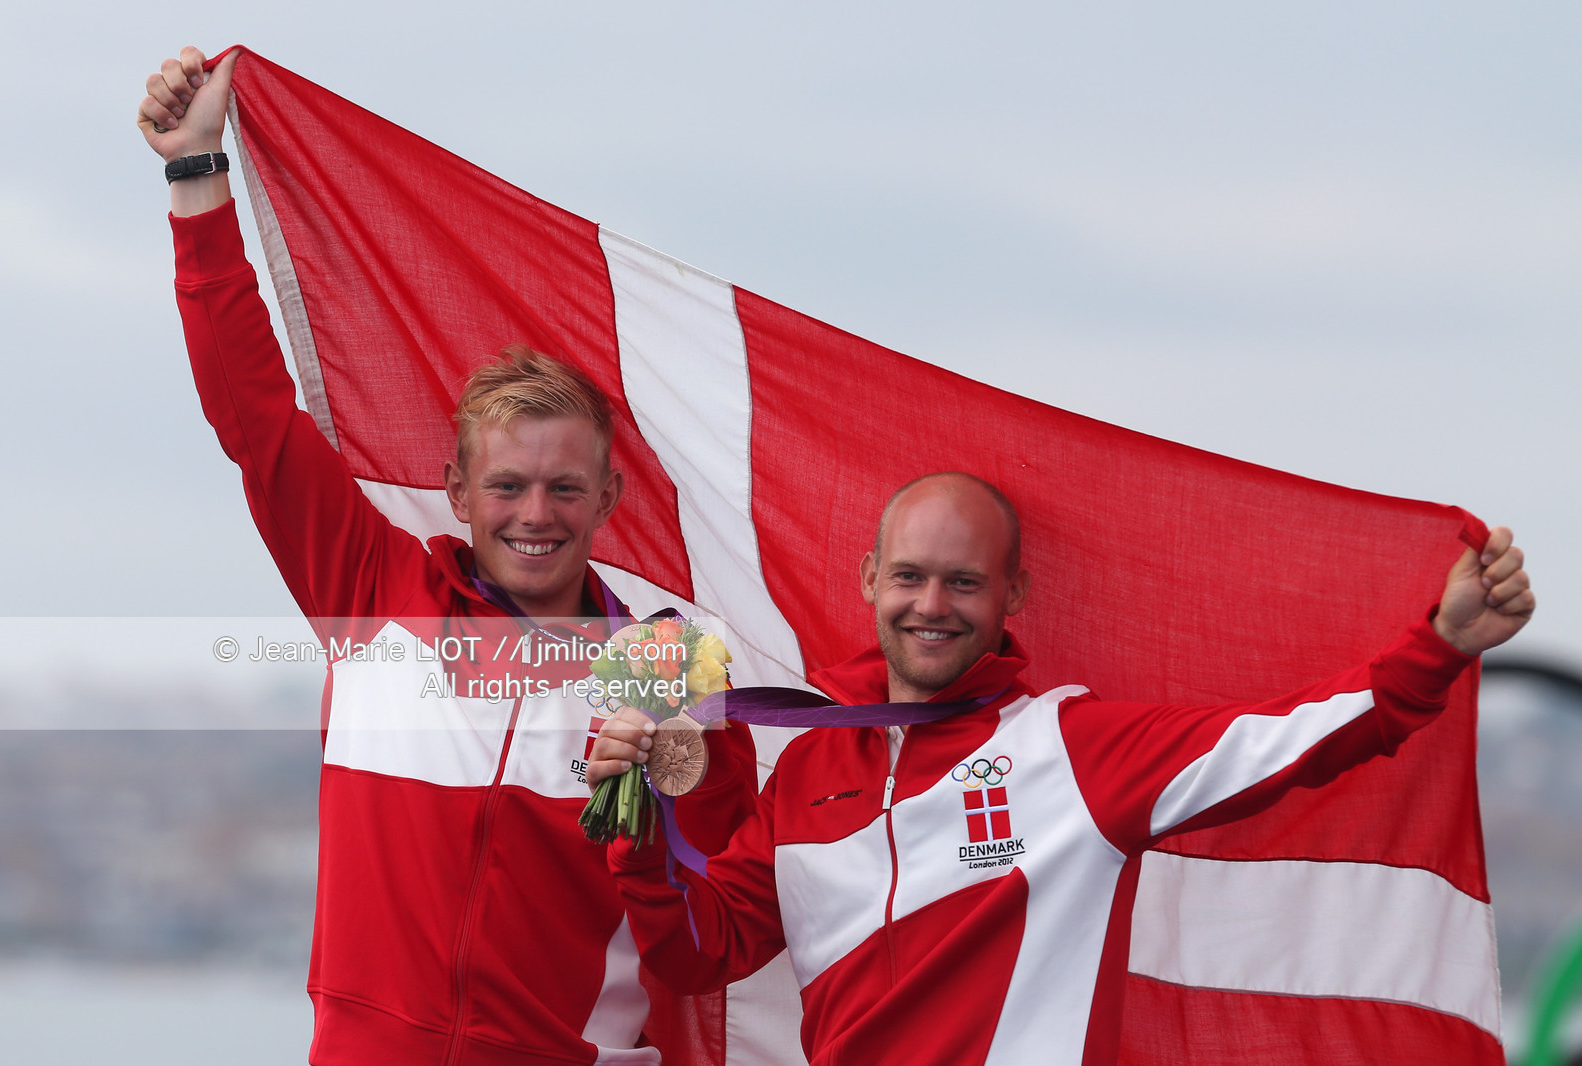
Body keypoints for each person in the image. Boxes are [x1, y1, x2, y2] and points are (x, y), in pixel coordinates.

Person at [140, 46, 757, 1065]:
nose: (535, 514)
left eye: (566, 488)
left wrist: (665, 791)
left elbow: (710, 938)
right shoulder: (370, 586)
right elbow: (250, 411)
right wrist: (194, 173)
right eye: (506, 486)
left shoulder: (665, 669)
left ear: (606, 497)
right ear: (459, 493)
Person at [588, 471, 1533, 1066]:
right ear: (872, 578)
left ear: (1014, 595)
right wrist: (635, 837)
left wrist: (1440, 645)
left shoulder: (1068, 747)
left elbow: (1282, 742)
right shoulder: (806, 765)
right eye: (912, 577)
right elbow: (701, 954)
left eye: (964, 582)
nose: (932, 605)